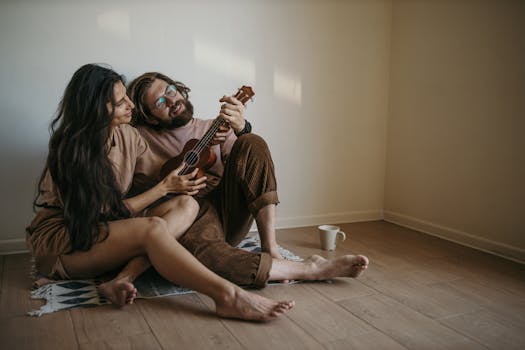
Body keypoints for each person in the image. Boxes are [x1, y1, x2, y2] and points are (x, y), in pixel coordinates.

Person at [26, 63, 295, 321]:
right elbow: (102, 213)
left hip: (117, 229)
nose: (130, 104)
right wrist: (164, 188)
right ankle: (228, 296)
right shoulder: (73, 150)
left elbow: (170, 169)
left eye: (170, 91)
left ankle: (122, 278)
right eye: (121, 102)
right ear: (97, 110)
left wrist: (204, 152)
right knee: (153, 228)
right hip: (69, 237)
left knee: (186, 205)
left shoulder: (126, 136)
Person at [123, 72, 370, 288]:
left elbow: (247, 164)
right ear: (151, 117)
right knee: (200, 263)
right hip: (190, 219)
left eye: (171, 91)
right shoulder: (140, 137)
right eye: (161, 102)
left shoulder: (215, 126)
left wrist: (241, 128)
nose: (172, 101)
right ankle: (311, 269)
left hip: (227, 210)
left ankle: (270, 247)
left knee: (252, 142)